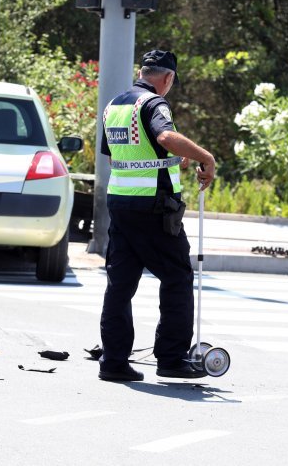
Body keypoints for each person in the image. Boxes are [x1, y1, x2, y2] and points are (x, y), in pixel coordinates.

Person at [97, 50, 216, 382]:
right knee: (177, 277)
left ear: (141, 71)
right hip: (154, 208)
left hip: (121, 206)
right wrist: (204, 155)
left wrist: (171, 160)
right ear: (168, 79)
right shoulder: (153, 104)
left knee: (119, 286)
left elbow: (121, 158)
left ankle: (114, 362)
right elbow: (164, 136)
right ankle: (172, 358)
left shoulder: (115, 106)